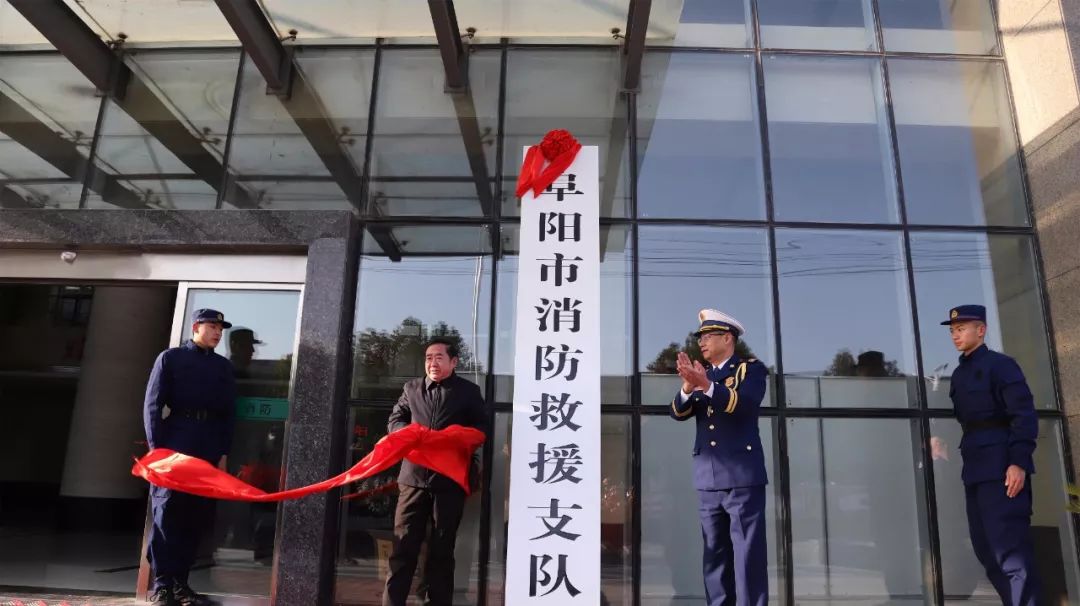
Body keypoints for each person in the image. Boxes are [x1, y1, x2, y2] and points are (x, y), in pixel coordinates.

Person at [670, 309, 768, 606]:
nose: (701, 342)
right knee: (715, 555)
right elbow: (677, 413)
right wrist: (688, 386)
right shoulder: (705, 376)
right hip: (708, 478)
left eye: (707, 336)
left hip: (741, 477)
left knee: (747, 555)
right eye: (699, 337)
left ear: (727, 338)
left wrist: (705, 385)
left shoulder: (749, 370)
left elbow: (744, 404)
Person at [943, 304, 1040, 605]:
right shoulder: (958, 374)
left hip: (1002, 469)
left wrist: (1018, 462)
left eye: (961, 329)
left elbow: (1023, 415)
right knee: (986, 550)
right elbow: (968, 423)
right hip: (974, 470)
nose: (955, 335)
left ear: (981, 330)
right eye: (952, 331)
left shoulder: (1002, 366)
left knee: (1010, 551)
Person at [383, 337, 486, 606]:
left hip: (448, 482)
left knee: (442, 550)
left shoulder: (469, 392)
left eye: (439, 357)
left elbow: (481, 429)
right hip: (413, 480)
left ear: (454, 362)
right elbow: (395, 420)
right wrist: (410, 434)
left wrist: (453, 438)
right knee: (403, 547)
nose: (433, 363)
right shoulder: (411, 389)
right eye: (429, 358)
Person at [143, 308, 236, 605]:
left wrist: (223, 452)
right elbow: (153, 405)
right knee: (167, 513)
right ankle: (162, 585)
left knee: (194, 518)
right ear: (196, 327)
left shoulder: (223, 366)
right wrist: (156, 449)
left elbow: (228, 414)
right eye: (212, 327)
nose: (218, 332)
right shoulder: (170, 358)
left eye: (220, 328)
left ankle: (181, 584)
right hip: (176, 441)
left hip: (208, 445)